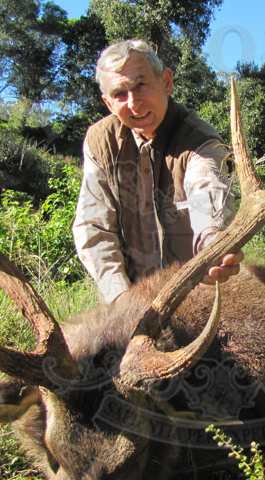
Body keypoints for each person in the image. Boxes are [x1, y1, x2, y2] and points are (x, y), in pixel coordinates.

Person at [72, 39, 243, 304]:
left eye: (140, 85)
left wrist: (212, 241)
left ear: (166, 82)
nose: (134, 104)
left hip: (192, 301)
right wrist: (122, 300)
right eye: (119, 94)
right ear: (108, 103)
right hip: (124, 301)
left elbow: (207, 186)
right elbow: (94, 226)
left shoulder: (199, 140)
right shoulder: (100, 141)